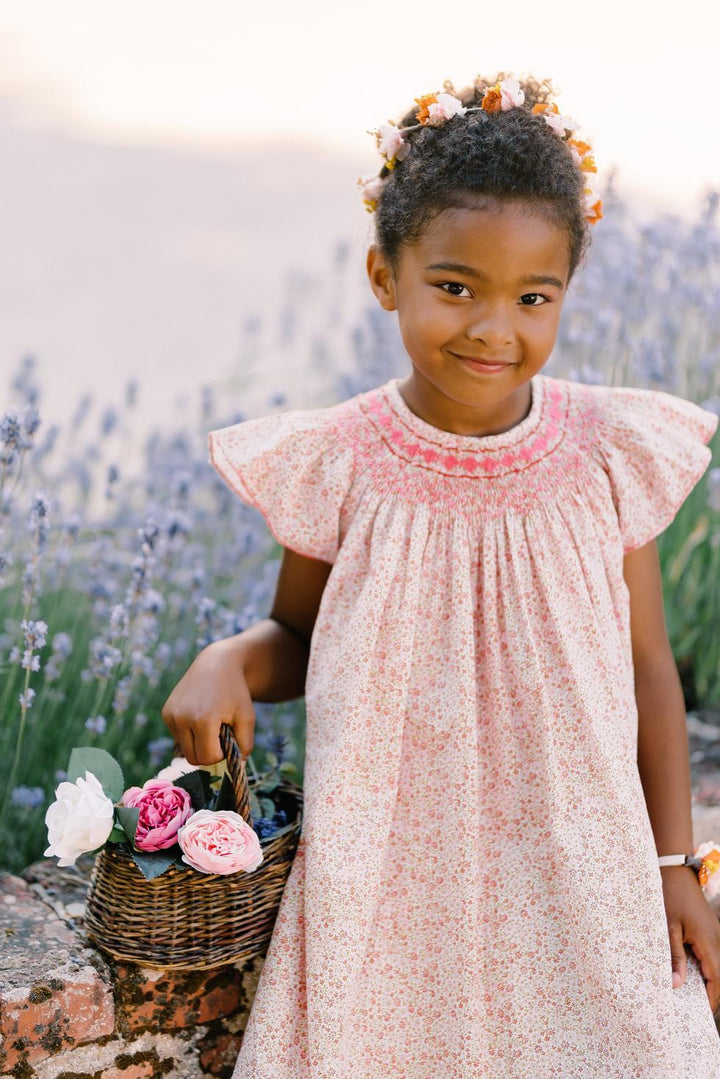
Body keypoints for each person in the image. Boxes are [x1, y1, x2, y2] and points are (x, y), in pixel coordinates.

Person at [161, 72, 720, 1077]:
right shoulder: (345, 460)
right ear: (385, 275)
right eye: (454, 287)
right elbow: (298, 635)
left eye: (532, 297)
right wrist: (228, 658)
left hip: (578, 868)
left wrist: (674, 864)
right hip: (392, 883)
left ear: (565, 294)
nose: (493, 329)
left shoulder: (603, 451)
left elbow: (648, 669)